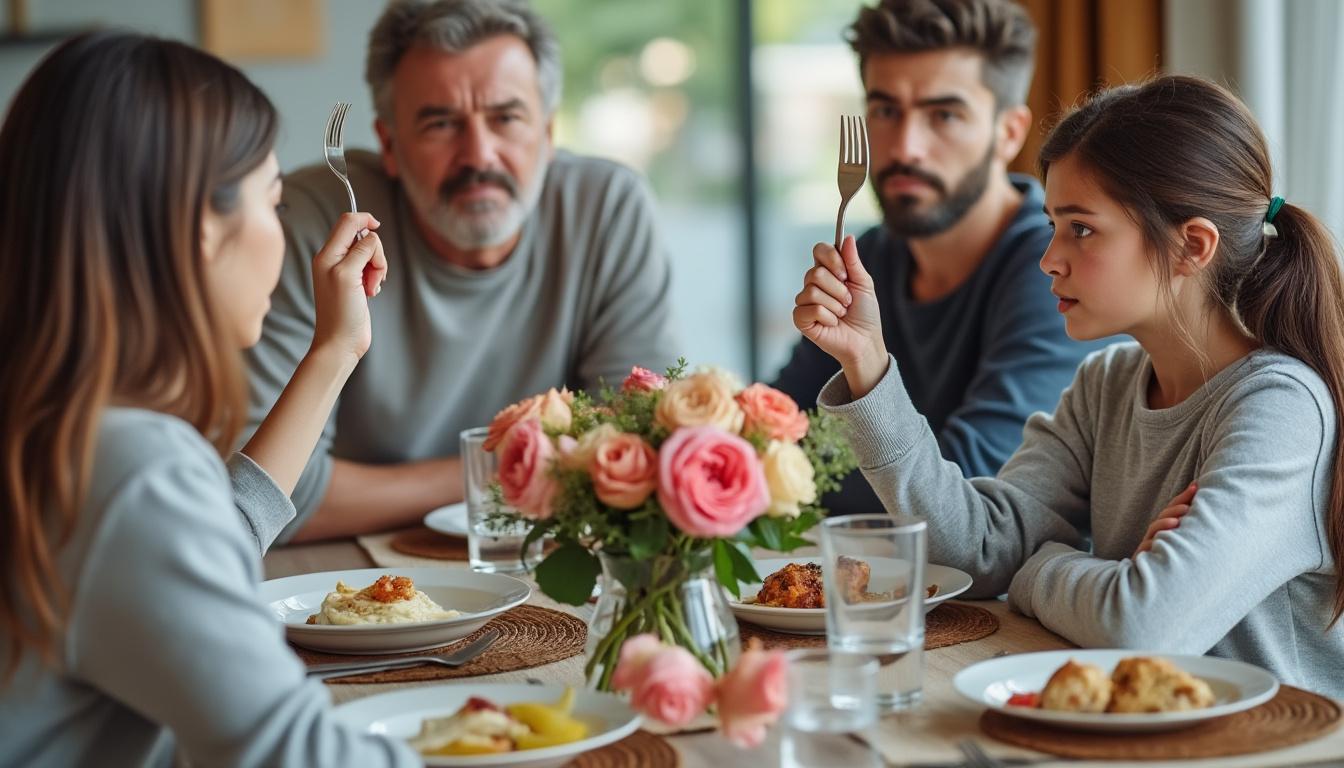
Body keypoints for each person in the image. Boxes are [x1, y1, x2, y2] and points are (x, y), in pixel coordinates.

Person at [794, 74, 1344, 696]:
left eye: (1080, 228)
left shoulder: (1281, 407)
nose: (1049, 258)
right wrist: (867, 363)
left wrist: (1041, 567)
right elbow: (973, 554)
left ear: (1192, 245)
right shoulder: (1106, 385)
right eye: (1054, 224)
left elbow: (1143, 622)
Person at [0, 33, 419, 765]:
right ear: (199, 226)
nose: (286, 234)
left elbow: (186, 544)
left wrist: (334, 351)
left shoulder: (55, 428)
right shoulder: (131, 466)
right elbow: (295, 754)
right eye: (274, 201)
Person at [245, 0, 680, 542]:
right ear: (390, 146)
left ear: (547, 134)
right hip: (340, 577)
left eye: (506, 117)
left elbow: (638, 448)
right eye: (440, 123)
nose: (479, 155)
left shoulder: (608, 207)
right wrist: (500, 470)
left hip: (544, 555)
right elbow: (269, 495)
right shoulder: (317, 222)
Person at [773, 0, 1108, 516]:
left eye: (944, 115)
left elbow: (967, 490)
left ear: (1010, 132)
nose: (906, 147)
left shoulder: (1055, 268)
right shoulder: (873, 258)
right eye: (885, 111)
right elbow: (774, 430)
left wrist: (797, 481)